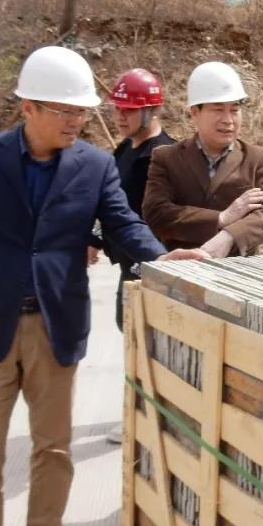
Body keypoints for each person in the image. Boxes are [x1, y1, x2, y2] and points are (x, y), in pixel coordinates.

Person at [0, 46, 204, 526]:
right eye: (65, 111)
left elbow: (123, 223)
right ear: (28, 107)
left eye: (82, 111)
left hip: (55, 326)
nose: (77, 120)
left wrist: (160, 257)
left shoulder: (95, 165)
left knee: (53, 449)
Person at [141, 61, 263, 257]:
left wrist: (230, 235)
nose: (228, 120)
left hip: (239, 268)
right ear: (195, 113)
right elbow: (156, 214)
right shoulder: (167, 158)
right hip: (182, 265)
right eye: (218, 109)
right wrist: (220, 218)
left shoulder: (256, 158)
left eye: (234, 109)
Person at [95, 68, 176, 331]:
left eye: (129, 110)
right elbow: (113, 207)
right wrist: (95, 240)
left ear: (152, 111)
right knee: (128, 329)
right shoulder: (124, 150)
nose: (120, 116)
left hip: (153, 264)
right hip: (128, 264)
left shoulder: (165, 155)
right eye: (117, 108)